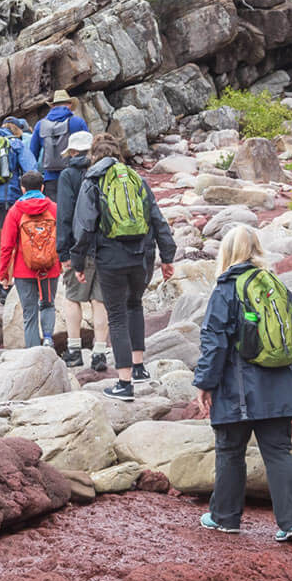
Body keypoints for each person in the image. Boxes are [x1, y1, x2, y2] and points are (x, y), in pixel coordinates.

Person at [192, 225, 292, 544]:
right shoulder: (278, 287)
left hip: (238, 390)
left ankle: (224, 517)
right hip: (280, 386)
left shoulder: (226, 288)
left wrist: (204, 384)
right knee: (279, 453)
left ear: (227, 253)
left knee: (230, 451)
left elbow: (214, 343)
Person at [72, 135, 175, 400]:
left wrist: (78, 261)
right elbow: (156, 218)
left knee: (116, 316)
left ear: (93, 155)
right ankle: (139, 368)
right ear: (118, 154)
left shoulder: (93, 180)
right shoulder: (136, 179)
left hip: (110, 257)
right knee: (135, 305)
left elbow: (84, 225)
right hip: (141, 255)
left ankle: (125, 383)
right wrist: (168, 256)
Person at [52, 130, 109, 372]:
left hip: (79, 245)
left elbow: (64, 214)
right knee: (99, 300)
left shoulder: (69, 175)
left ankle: (74, 351)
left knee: (73, 298)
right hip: (105, 245)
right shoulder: (106, 171)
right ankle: (99, 353)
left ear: (73, 152)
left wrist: (63, 252)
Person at [0, 170, 61, 348]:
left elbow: (6, 246)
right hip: (50, 267)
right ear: (42, 187)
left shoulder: (15, 211)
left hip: (23, 269)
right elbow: (64, 237)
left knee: (29, 313)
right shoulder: (54, 208)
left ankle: (33, 351)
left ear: (22, 189)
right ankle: (48, 337)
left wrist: (3, 273)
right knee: (48, 304)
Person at [27, 91, 88, 201]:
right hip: (75, 176)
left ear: (53, 106)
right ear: (69, 105)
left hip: (50, 178)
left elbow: (32, 155)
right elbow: (88, 149)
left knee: (54, 214)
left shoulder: (40, 125)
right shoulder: (78, 122)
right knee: (75, 213)